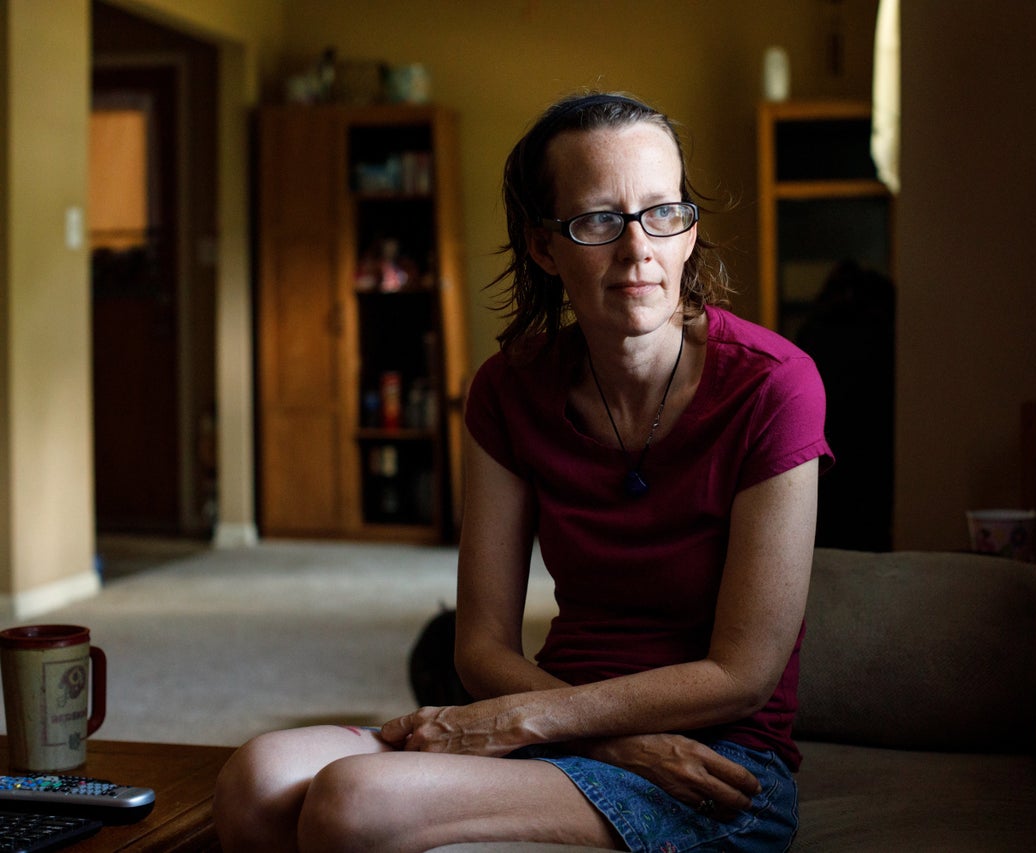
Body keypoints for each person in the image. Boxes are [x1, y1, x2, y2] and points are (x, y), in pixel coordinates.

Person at [213, 91, 832, 853]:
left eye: (662, 213)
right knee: (257, 775)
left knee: (354, 800)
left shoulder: (775, 384)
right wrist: (585, 735)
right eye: (599, 220)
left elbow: (744, 674)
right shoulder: (510, 389)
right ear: (545, 246)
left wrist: (516, 724)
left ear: (690, 229)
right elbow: (480, 648)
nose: (639, 249)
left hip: (714, 764)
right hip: (563, 720)